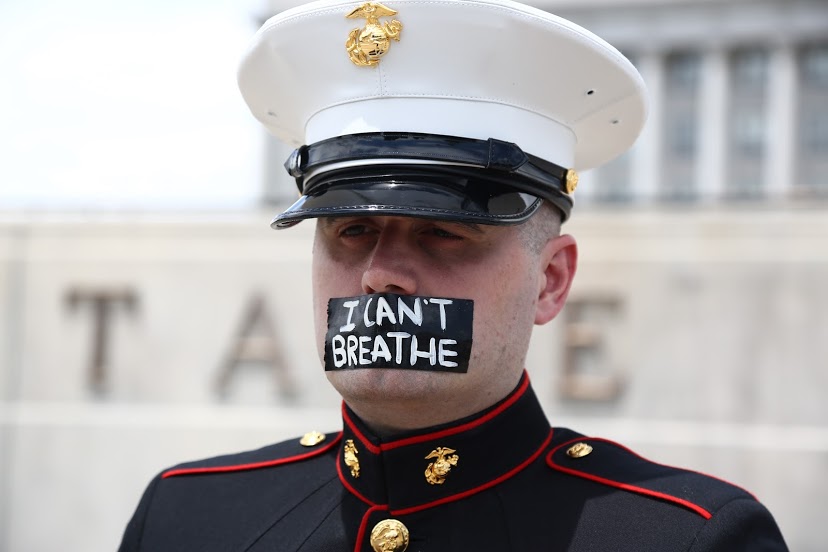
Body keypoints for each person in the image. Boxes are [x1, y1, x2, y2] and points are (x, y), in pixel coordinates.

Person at [118, 0, 788, 550]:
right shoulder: (186, 518)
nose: (382, 275)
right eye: (351, 231)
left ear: (551, 281)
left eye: (443, 232)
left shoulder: (684, 540)